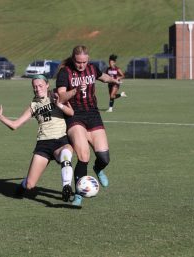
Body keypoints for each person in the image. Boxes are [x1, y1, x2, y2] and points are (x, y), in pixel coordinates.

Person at [0, 74, 75, 202]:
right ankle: (22, 186)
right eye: (34, 87)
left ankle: (66, 186)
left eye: (40, 85)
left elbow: (71, 112)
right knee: (30, 184)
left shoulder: (56, 95)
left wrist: (59, 104)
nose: (37, 89)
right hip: (43, 145)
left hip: (61, 141)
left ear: (47, 85)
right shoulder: (33, 105)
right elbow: (14, 125)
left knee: (66, 152)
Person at [56, 45, 121, 206]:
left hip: (93, 115)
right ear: (73, 59)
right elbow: (61, 97)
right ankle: (78, 194)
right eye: (78, 62)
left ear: (88, 60)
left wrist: (113, 80)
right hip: (74, 116)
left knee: (104, 157)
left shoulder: (92, 69)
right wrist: (75, 91)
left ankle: (98, 169)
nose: (81, 65)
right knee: (83, 156)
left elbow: (102, 76)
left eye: (84, 62)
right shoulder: (65, 73)